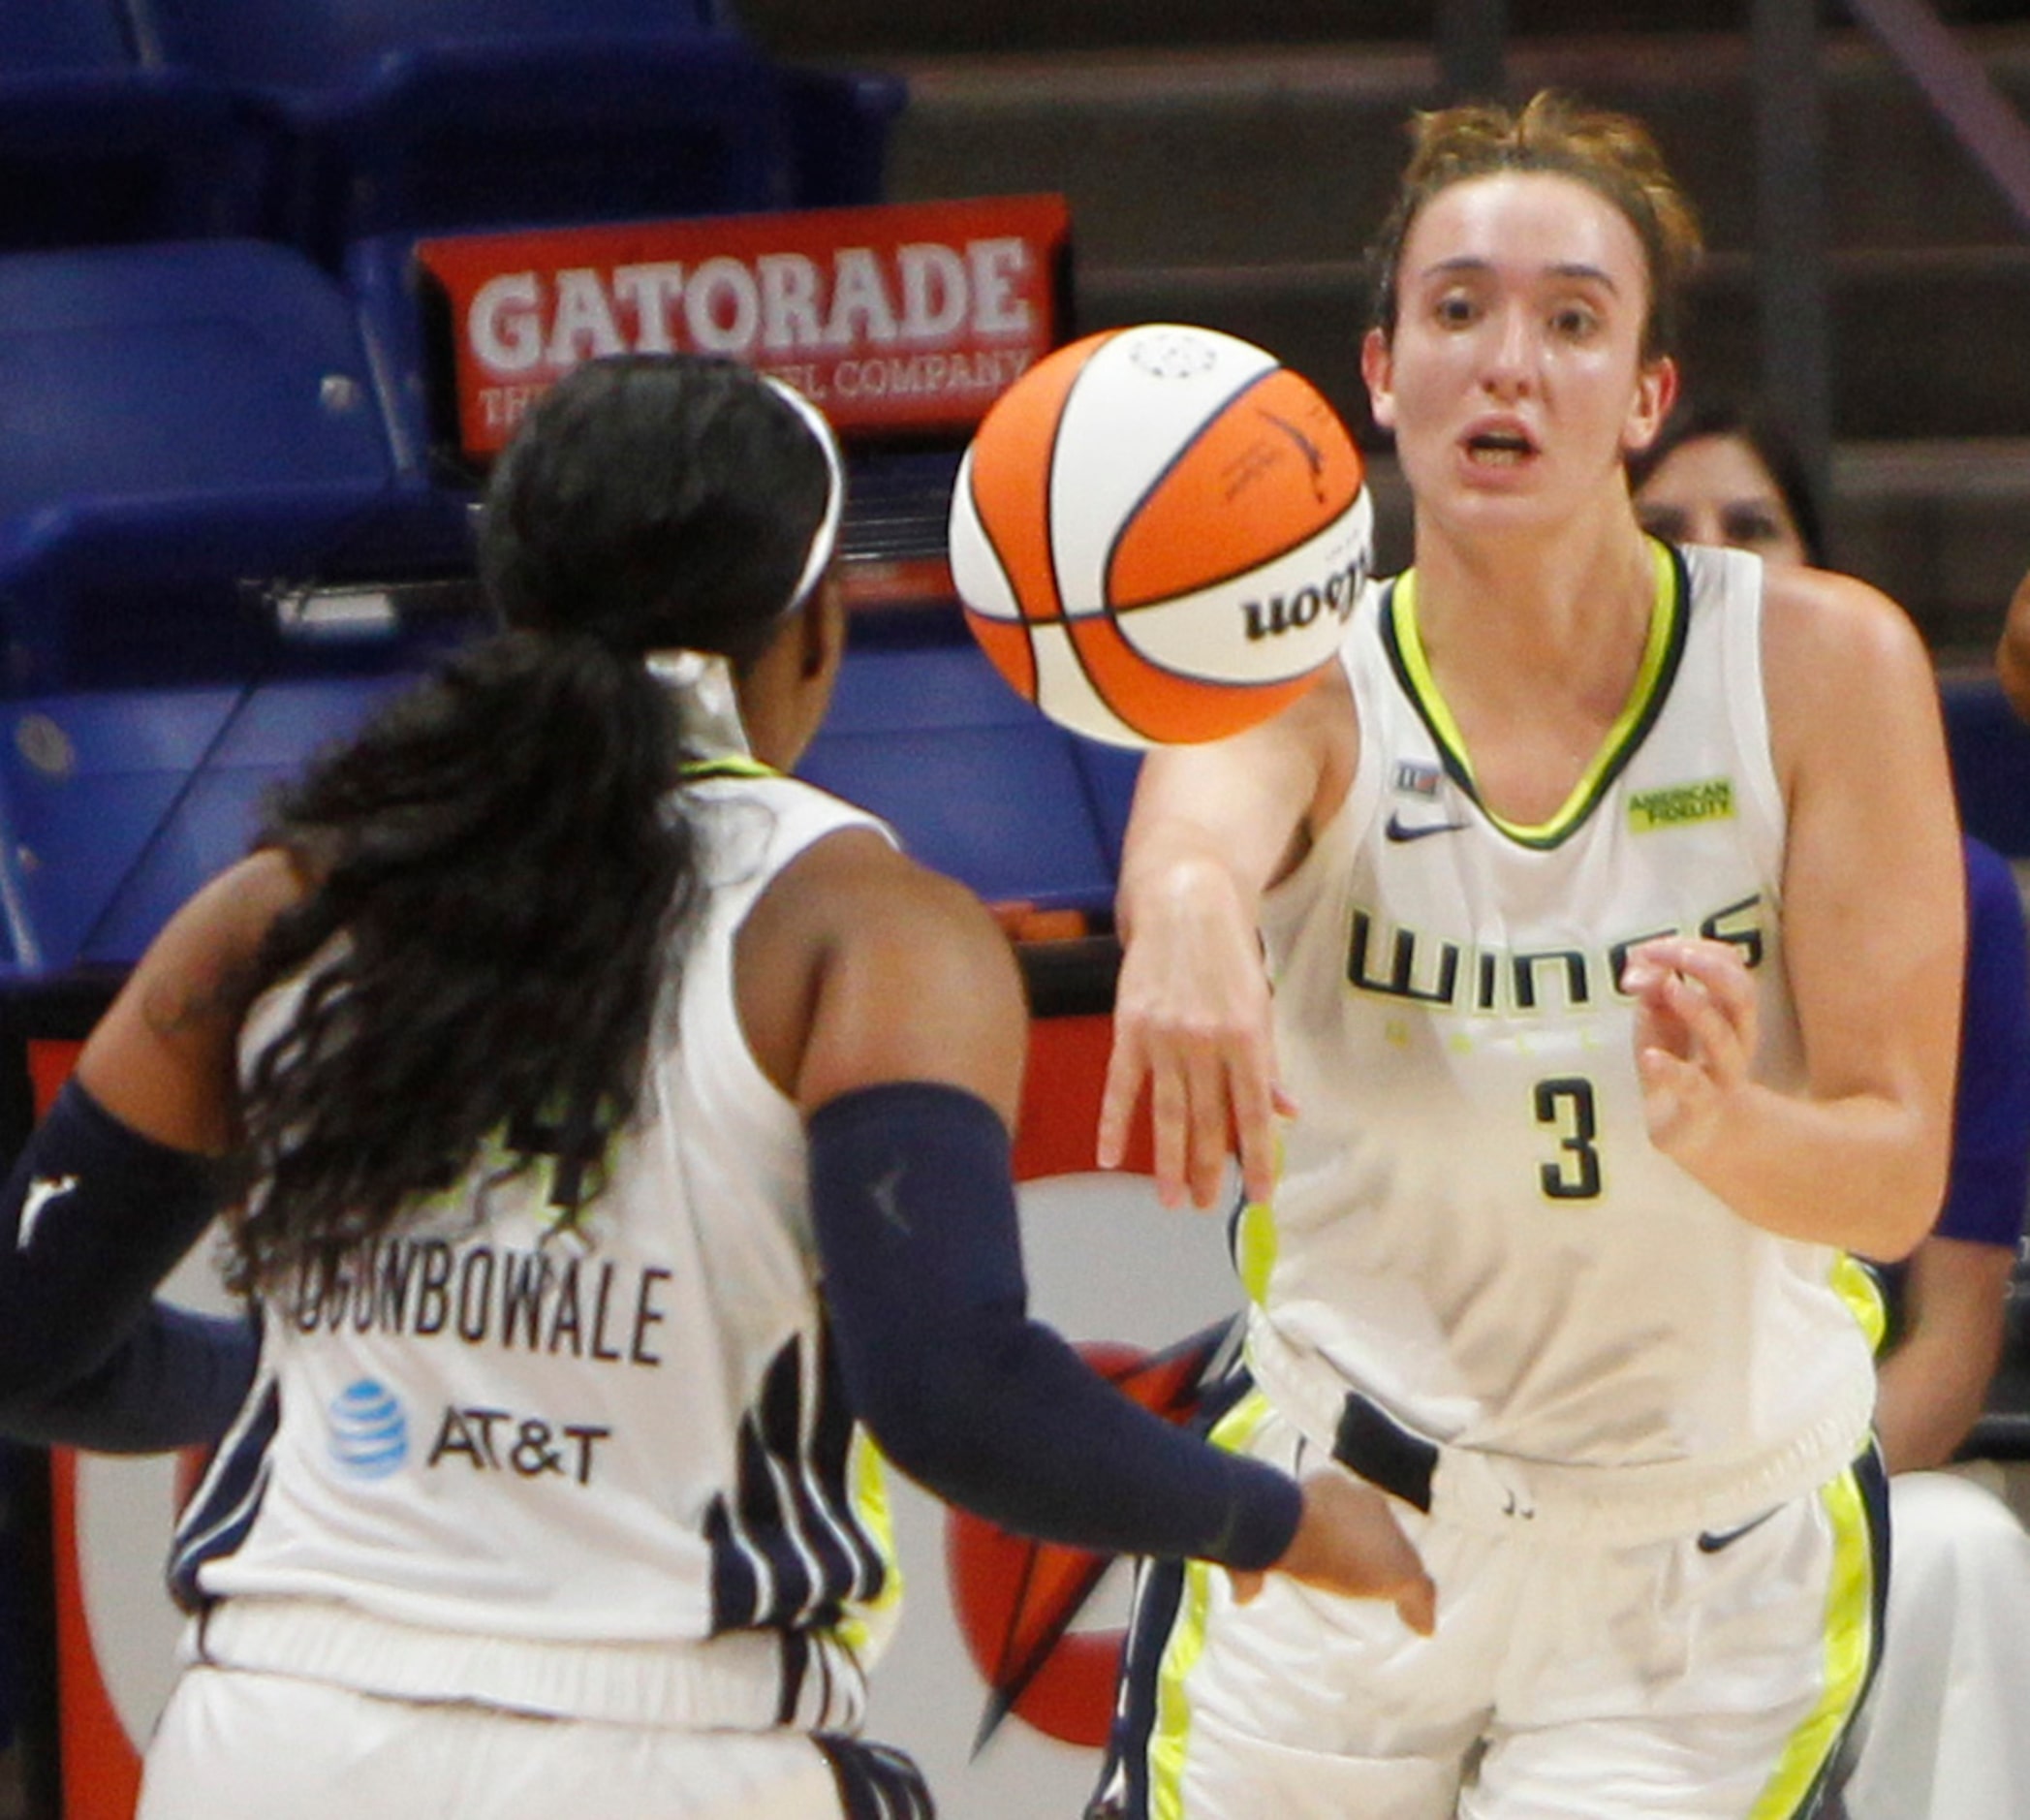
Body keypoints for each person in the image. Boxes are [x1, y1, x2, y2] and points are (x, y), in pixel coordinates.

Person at [0, 353, 1435, 1820]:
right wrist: (1281, 1517)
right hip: (651, 1756)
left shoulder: (275, 901)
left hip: (265, 1746)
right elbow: (951, 1392)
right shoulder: (865, 927)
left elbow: (28, 1343)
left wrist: (311, 1383)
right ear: (813, 628)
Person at [1086, 92, 1963, 1819]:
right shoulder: (1292, 667)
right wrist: (1181, 902)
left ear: (1644, 398)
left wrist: (1731, 1132)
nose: (1511, 362)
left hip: (1698, 1564)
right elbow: (1199, 817)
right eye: (1460, 309)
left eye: (1574, 320)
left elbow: (1892, 1176)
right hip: (1348, 1516)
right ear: (1380, 369)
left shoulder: (1822, 666)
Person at [1635, 400, 2030, 1820]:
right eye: (1668, 532)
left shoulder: (1971, 900)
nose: (1718, 562)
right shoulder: (1518, 848)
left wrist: (1789, 1505)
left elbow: (1956, 1333)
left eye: (1755, 529)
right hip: (1549, 1480)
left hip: (1824, 1478)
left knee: (1963, 1551)